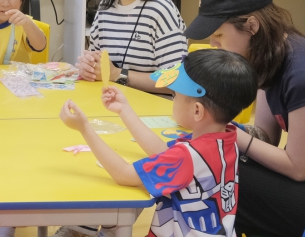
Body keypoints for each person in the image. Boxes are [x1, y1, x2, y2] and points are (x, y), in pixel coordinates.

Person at [184, 0, 305, 237]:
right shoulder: (270, 55)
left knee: (214, 171)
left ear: (252, 26)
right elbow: (266, 137)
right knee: (215, 157)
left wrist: (231, 135)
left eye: (219, 35)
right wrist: (221, 130)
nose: (213, 43)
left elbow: (298, 168)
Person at [60, 49, 258, 237]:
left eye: (175, 96)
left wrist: (84, 128)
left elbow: (124, 174)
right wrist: (124, 110)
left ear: (197, 111)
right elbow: (163, 152)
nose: (173, 99)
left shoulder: (188, 155)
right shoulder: (226, 138)